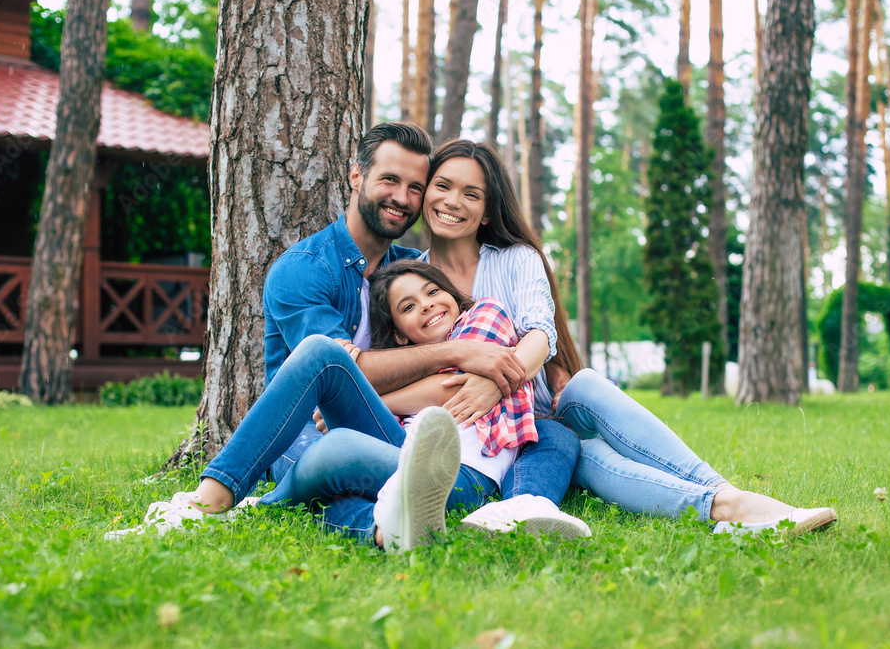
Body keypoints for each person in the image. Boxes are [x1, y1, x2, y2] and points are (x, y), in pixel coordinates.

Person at [295, 138, 836, 537]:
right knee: (590, 458)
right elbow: (391, 355)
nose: (452, 202)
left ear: (488, 209)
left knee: (584, 387)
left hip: (537, 406)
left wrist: (498, 382)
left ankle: (730, 495)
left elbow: (540, 334)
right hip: (499, 440)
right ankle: (727, 509)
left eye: (471, 194)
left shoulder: (514, 259)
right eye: (441, 187)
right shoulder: (409, 271)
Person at [106, 123, 587, 541]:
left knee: (344, 471)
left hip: (394, 434)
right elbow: (350, 372)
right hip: (305, 431)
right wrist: (461, 351)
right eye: (390, 180)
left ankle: (371, 528)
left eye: (415, 187)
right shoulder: (304, 269)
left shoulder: (412, 271)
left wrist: (528, 367)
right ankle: (206, 504)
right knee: (324, 371)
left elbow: (485, 346)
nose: (403, 197)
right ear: (356, 177)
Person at [261, 261, 591, 550]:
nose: (427, 306)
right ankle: (381, 531)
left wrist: (374, 399)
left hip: (462, 475)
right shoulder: (404, 367)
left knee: (336, 451)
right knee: (333, 484)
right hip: (405, 459)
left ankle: (265, 505)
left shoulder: (483, 315)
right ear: (400, 335)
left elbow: (449, 387)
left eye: (432, 292)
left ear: (451, 294)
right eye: (408, 307)